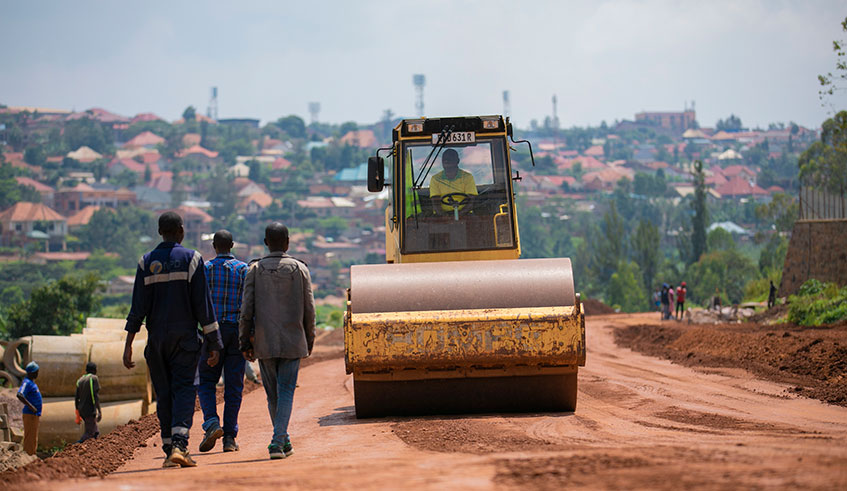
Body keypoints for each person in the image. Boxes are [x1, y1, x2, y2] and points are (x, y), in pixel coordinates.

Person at [123, 211, 223, 468]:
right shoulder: (192, 259)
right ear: (181, 230)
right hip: (185, 341)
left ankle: (169, 448)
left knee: (164, 394)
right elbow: (204, 306)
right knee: (185, 390)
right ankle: (179, 446)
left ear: (160, 232)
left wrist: (128, 346)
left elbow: (137, 308)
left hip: (156, 341)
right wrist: (214, 343)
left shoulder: (146, 262)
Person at [240, 222, 315, 460]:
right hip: (293, 340)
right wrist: (309, 340)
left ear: (265, 243)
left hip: (265, 342)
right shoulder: (300, 269)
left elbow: (246, 310)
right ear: (287, 242)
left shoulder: (254, 270)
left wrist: (245, 341)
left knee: (273, 395)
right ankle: (278, 441)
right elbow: (309, 310)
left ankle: (281, 440)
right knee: (285, 392)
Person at [198, 230, 248, 454]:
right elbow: (249, 305)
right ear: (232, 245)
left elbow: (198, 303)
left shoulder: (205, 269)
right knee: (234, 386)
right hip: (235, 332)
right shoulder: (243, 269)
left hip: (211, 333)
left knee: (206, 381)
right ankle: (229, 438)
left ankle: (211, 422)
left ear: (214, 246)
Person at [429, 148, 477, 215]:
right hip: (441, 216)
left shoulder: (467, 177)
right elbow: (435, 203)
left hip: (465, 215)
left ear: (458, 161)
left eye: (450, 159)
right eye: (444, 159)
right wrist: (445, 216)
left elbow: (471, 202)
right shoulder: (436, 179)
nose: (446, 161)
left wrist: (459, 215)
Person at [17, 361, 42, 456]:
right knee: (30, 438)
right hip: (30, 414)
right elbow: (20, 394)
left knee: (33, 438)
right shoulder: (27, 383)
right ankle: (28, 458)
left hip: (34, 415)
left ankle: (32, 456)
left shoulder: (31, 383)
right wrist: (31, 407)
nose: (37, 374)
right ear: (32, 372)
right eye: (36, 372)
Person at [75, 362, 101, 443]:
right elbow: (95, 395)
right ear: (94, 370)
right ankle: (78, 444)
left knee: (95, 431)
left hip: (82, 409)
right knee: (89, 432)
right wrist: (99, 411)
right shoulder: (93, 378)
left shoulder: (80, 380)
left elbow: (76, 398)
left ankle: (94, 448)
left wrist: (77, 412)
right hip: (89, 409)